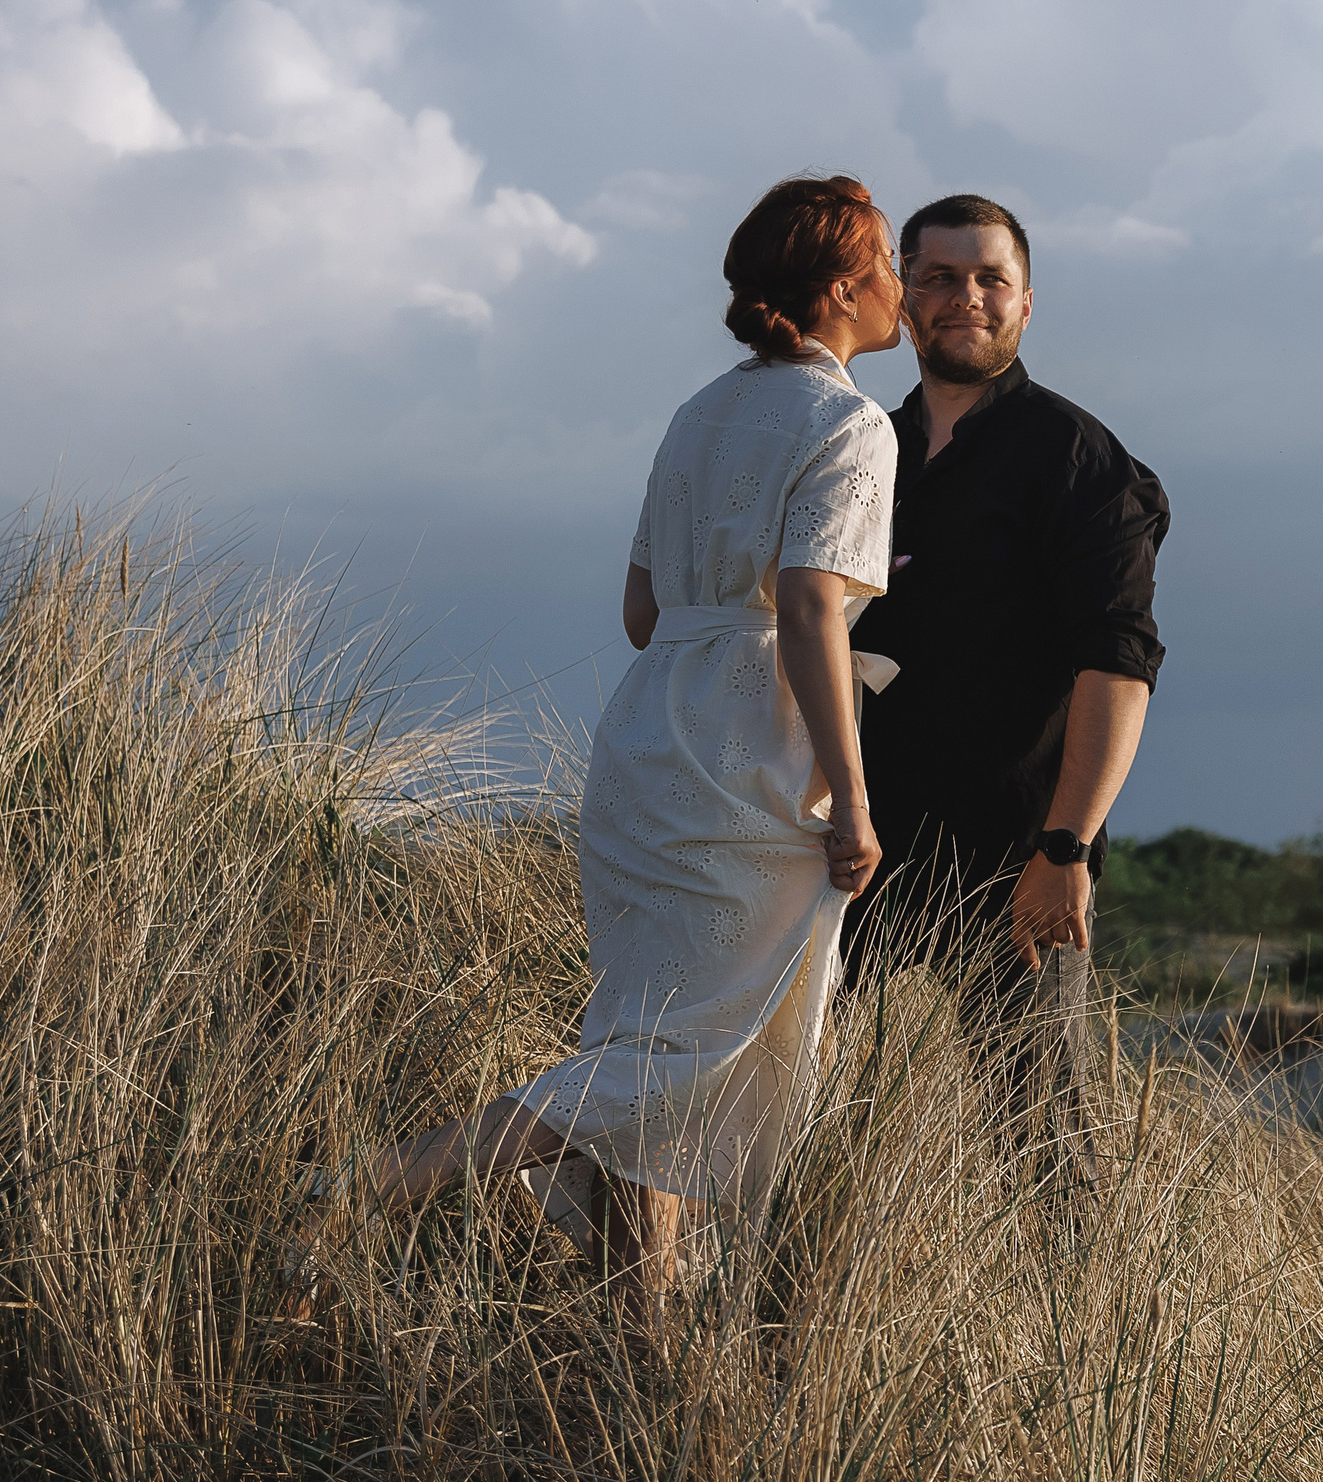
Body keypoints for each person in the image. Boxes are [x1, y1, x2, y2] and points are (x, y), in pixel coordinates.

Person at [289, 174, 905, 1309]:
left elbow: (640, 611)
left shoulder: (697, 415)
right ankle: (380, 1181)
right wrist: (855, 801)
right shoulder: (851, 424)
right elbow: (815, 607)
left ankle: (643, 1326)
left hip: (646, 732)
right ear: (842, 288)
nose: (904, 292)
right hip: (745, 754)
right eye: (889, 268)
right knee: (674, 1058)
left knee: (645, 1041)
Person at [845, 194, 1168, 1131]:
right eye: (940, 277)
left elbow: (1118, 664)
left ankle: (1076, 1287)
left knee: (1041, 1135)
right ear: (902, 298)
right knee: (805, 1109)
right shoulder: (867, 450)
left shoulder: (1078, 460)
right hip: (857, 843)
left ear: (1027, 304)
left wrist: (1065, 847)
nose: (966, 297)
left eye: (992, 279)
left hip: (1015, 851)